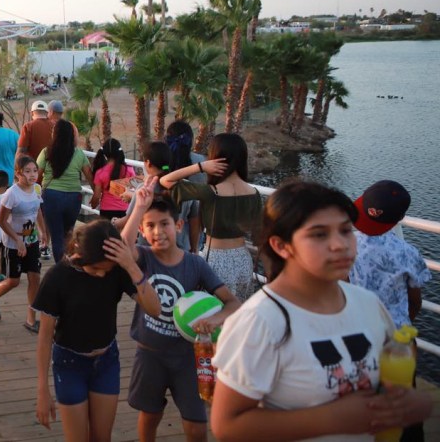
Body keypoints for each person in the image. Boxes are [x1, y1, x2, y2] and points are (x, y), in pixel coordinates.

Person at [210, 181, 433, 441]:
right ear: (281, 246)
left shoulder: (368, 305)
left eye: (346, 230)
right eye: (319, 234)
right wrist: (331, 419)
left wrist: (413, 404)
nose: (340, 244)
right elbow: (227, 426)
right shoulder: (258, 323)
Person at [120, 183, 240, 442]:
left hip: (187, 356)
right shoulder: (143, 257)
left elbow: (233, 304)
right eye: (149, 226)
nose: (157, 231)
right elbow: (124, 247)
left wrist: (213, 319)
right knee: (150, 414)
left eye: (164, 224)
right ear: (141, 229)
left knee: (196, 423)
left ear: (178, 226)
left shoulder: (195, 264)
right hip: (149, 353)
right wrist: (139, 207)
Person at [33, 220, 161, 442]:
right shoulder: (58, 277)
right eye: (96, 269)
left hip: (106, 362)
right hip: (69, 365)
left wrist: (130, 265)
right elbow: (44, 338)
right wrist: (43, 391)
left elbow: (155, 308)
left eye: (107, 270)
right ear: (82, 257)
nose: (103, 275)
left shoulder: (116, 269)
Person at [349, 180, 431, 442]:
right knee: (404, 398)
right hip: (398, 337)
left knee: (362, 398)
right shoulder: (407, 252)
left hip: (357, 335)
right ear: (399, 219)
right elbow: (415, 301)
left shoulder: (344, 246)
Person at [159, 133, 262, 302]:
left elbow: (166, 180)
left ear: (216, 158)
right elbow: (259, 234)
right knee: (236, 312)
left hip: (216, 259)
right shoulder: (254, 193)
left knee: (212, 313)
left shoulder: (211, 192)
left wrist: (201, 166)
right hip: (244, 260)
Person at [0, 155, 49, 333]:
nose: (32, 175)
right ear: (18, 174)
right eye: (27, 172)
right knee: (13, 280)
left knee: (35, 277)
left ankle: (31, 318)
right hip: (13, 243)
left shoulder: (36, 188)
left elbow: (38, 211)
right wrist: (17, 239)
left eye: (35, 171)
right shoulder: (11, 194)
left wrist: (43, 231)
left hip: (32, 240)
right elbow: (2, 221)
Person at [37, 119, 93, 263]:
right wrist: (97, 195)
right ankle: (69, 265)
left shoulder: (46, 152)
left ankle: (60, 269)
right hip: (73, 198)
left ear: (55, 134)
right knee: (68, 235)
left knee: (56, 236)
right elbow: (90, 177)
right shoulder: (79, 154)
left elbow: (36, 176)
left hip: (51, 197)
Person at [165, 120, 207, 253]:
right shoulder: (201, 162)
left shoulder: (160, 161)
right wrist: (194, 248)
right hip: (190, 235)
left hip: (160, 232)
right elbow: (198, 210)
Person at [89, 138, 135, 219]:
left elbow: (97, 195)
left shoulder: (100, 172)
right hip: (125, 211)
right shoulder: (129, 170)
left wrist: (93, 204)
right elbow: (133, 189)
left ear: (105, 154)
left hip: (106, 211)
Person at [18, 100, 54, 178]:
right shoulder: (55, 126)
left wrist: (17, 170)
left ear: (32, 113)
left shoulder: (28, 126)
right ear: (47, 113)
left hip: (33, 173)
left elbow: (21, 152)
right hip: (52, 173)